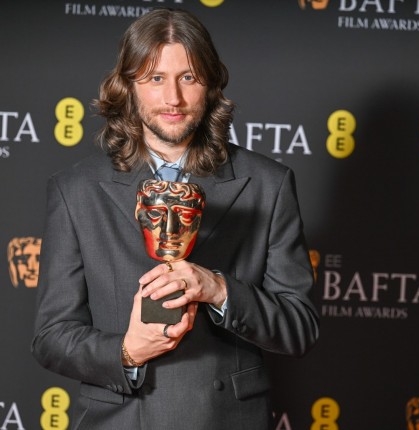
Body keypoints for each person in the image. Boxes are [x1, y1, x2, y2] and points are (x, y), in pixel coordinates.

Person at [31, 8, 319, 429]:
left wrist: (218, 289)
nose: (173, 98)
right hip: (121, 419)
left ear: (211, 84)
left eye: (188, 77)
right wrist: (127, 352)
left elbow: (300, 327)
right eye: (155, 78)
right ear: (129, 86)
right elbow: (51, 337)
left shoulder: (268, 185)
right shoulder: (75, 190)